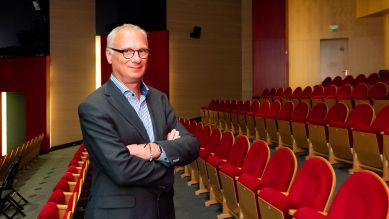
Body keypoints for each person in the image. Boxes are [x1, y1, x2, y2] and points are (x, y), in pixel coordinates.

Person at [78, 23, 199, 219]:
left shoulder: (159, 98)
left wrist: (153, 150)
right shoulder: (93, 106)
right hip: (121, 214)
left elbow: (192, 145)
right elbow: (122, 170)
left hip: (163, 210)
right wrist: (169, 161)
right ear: (109, 55)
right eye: (127, 51)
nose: (136, 58)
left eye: (142, 51)